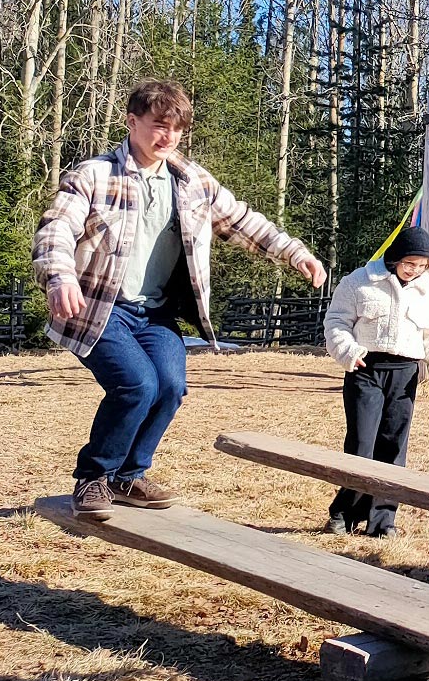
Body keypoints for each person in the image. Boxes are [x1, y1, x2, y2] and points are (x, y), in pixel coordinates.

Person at [34, 80, 325, 519]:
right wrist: (59, 278)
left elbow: (243, 221)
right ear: (132, 122)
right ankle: (94, 477)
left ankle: (128, 476)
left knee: (170, 387)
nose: (168, 136)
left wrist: (295, 252)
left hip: (155, 313)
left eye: (176, 128)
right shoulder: (94, 175)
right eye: (159, 125)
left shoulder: (192, 182)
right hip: (100, 309)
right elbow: (56, 229)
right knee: (136, 385)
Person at [321, 227, 429, 536]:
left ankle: (382, 521)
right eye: (409, 263)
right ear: (395, 258)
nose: (414, 270)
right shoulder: (359, 282)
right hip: (365, 369)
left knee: (393, 447)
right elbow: (336, 322)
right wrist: (348, 351)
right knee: (361, 445)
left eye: (422, 266)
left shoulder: (428, 293)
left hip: (405, 374)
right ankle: (344, 513)